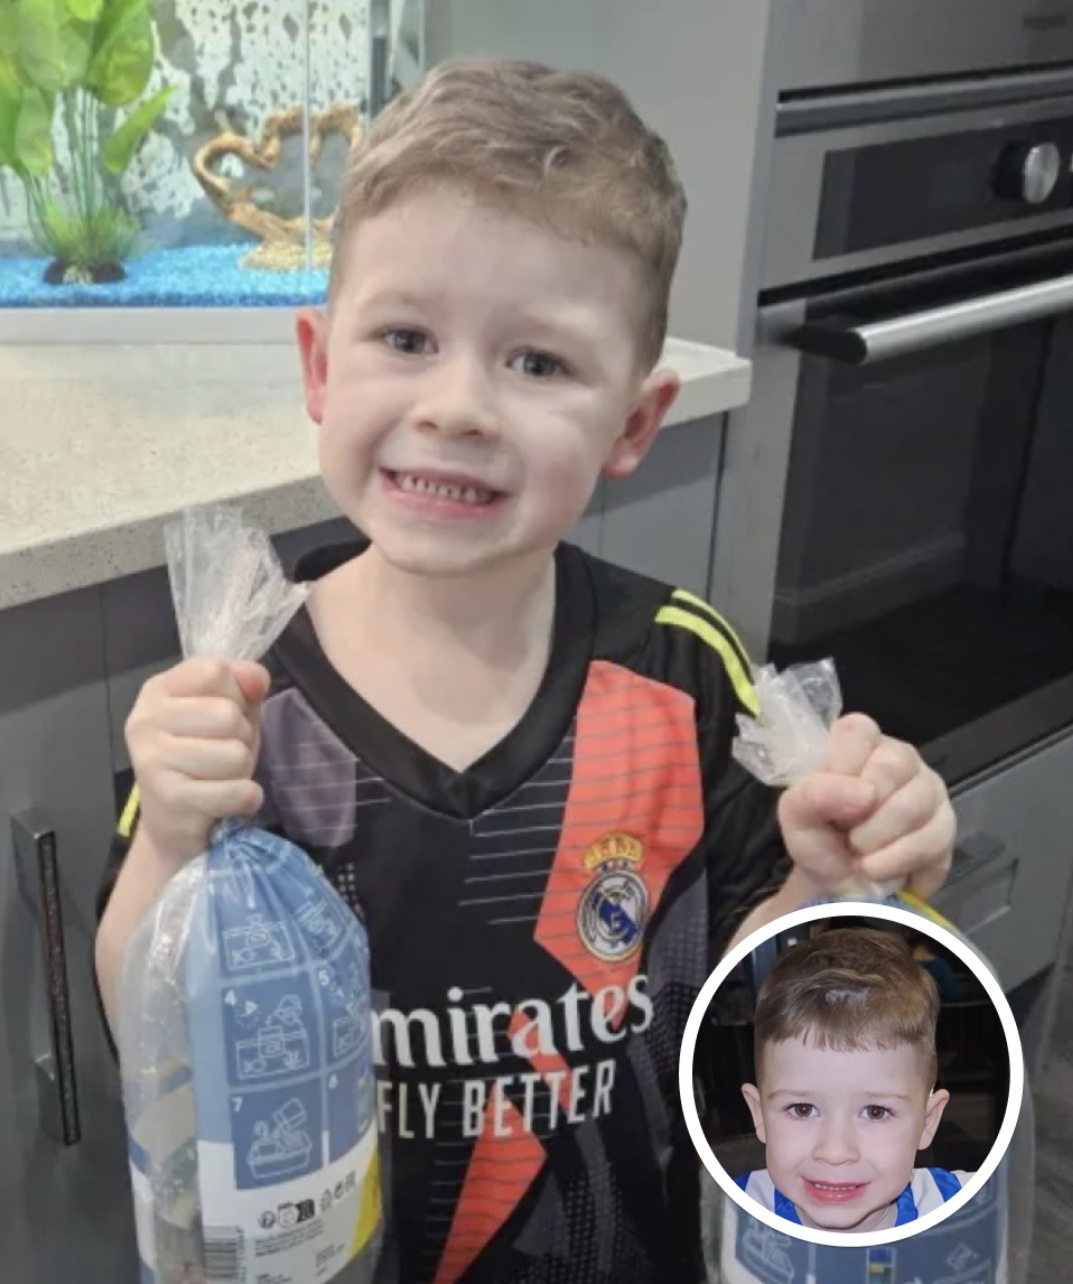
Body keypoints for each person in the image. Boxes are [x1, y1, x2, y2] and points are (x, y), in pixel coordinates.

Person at [94, 57, 957, 1282]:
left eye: (538, 363)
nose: (458, 406)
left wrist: (827, 885)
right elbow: (142, 1024)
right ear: (321, 367)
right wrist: (172, 836)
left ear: (634, 422)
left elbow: (768, 1019)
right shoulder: (237, 701)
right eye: (406, 337)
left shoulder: (681, 675)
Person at [736, 928, 972, 1233]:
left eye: (875, 1112)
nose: (835, 1153)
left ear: (927, 1121)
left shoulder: (971, 1208)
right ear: (759, 1114)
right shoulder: (721, 1221)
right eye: (802, 1109)